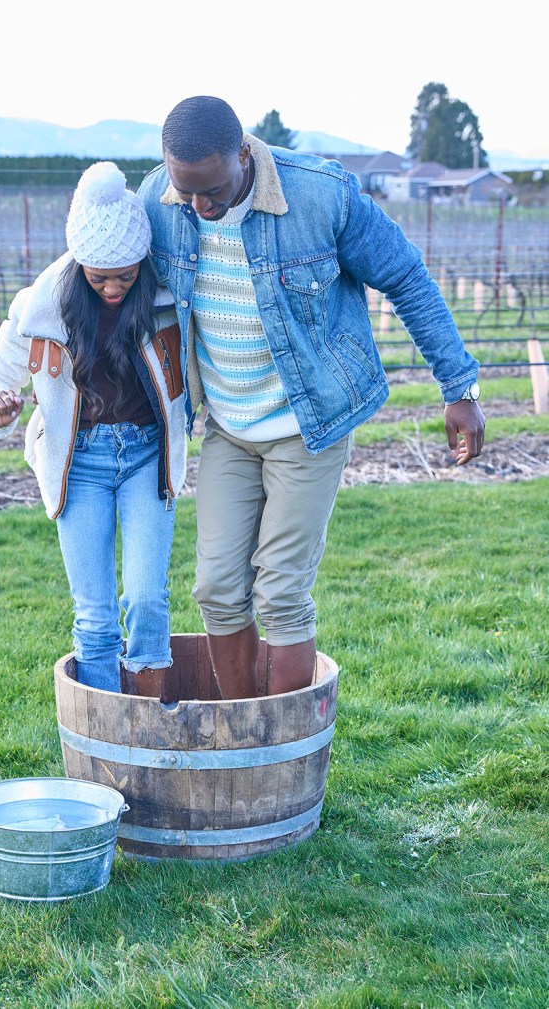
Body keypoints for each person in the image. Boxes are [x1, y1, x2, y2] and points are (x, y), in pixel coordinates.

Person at [137, 95, 485, 700]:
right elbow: (97, 271)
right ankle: (244, 731)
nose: (201, 207)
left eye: (213, 190)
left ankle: (283, 742)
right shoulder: (157, 201)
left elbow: (406, 276)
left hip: (310, 422)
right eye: (186, 191)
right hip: (227, 424)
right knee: (217, 588)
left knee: (280, 590)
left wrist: (458, 388)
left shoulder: (322, 195)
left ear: (244, 155)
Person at [0, 162, 187, 696]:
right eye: (99, 277)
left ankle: (150, 718)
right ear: (79, 264)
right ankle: (108, 734)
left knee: (146, 598)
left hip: (146, 458)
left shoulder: (167, 298)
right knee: (94, 616)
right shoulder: (41, 307)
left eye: (125, 275)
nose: (114, 287)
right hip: (79, 464)